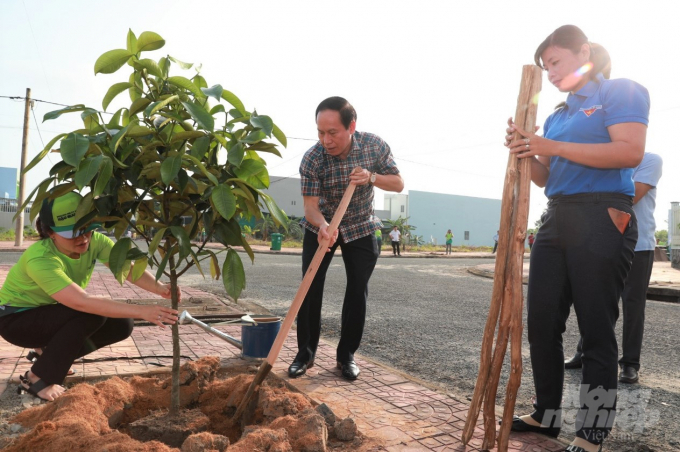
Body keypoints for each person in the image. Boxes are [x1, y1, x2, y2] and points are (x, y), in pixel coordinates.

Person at [504, 25, 649, 452]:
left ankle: (593, 432)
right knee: (543, 322)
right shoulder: (557, 114)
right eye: (545, 66)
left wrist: (551, 145)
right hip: (557, 216)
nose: (549, 73)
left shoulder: (620, 91)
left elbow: (629, 152)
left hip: (604, 214)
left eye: (556, 62)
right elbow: (547, 177)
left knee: (596, 327)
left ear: (583, 53)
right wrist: (524, 150)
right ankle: (546, 415)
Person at [0, 192, 180, 402]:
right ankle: (37, 379)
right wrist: (143, 311)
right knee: (90, 314)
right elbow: (81, 302)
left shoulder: (96, 241)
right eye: (73, 233)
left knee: (122, 323)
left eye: (87, 229)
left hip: (51, 313)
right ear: (51, 233)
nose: (83, 238)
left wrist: (160, 288)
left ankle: (48, 358)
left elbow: (125, 268)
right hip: (17, 320)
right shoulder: (40, 259)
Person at [290, 97, 403, 381]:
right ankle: (305, 354)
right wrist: (324, 226)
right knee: (310, 286)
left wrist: (370, 176)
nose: (326, 140)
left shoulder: (373, 146)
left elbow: (398, 183)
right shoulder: (313, 158)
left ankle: (346, 356)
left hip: (362, 226)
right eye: (320, 132)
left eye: (333, 132)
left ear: (351, 126)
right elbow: (310, 207)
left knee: (357, 290)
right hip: (323, 226)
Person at [565, 152, 663, 386]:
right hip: (604, 242)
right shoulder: (606, 159)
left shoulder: (650, 160)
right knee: (596, 300)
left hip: (639, 244)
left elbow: (631, 197)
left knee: (633, 304)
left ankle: (630, 363)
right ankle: (584, 351)